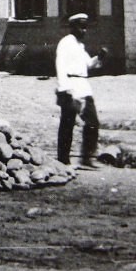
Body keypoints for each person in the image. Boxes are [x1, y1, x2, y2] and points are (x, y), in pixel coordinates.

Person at [55, 13, 108, 170]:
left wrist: (99, 57)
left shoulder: (80, 46)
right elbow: (60, 66)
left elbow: (89, 65)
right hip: (70, 86)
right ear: (72, 27)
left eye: (85, 27)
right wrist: (65, 89)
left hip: (83, 86)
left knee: (92, 122)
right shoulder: (65, 43)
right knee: (67, 123)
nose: (84, 30)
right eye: (80, 27)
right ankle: (63, 159)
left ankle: (87, 158)